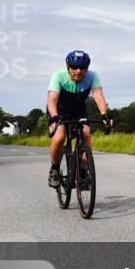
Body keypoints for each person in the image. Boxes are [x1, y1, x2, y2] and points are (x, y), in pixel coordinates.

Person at [47, 50, 112, 188]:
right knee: (59, 138)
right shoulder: (58, 76)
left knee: (86, 134)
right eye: (74, 67)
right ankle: (54, 168)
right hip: (58, 111)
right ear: (68, 67)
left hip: (79, 110)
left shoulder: (92, 76)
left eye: (82, 68)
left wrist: (104, 115)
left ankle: (82, 172)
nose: (78, 71)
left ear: (86, 68)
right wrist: (54, 117)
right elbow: (52, 99)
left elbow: (98, 95)